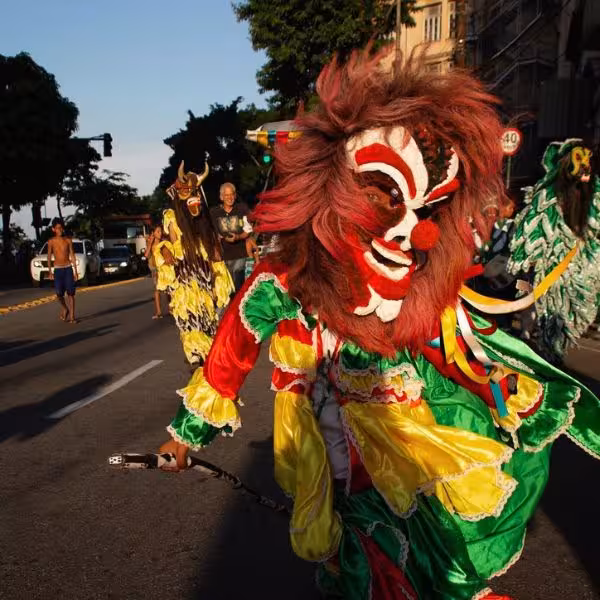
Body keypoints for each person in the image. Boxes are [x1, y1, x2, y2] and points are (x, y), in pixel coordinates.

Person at [160, 48, 600, 599]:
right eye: (384, 196)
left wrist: (508, 390)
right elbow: (232, 350)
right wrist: (186, 434)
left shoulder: (411, 284)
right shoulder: (287, 276)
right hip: (333, 452)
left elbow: (449, 350)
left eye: (426, 210)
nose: (415, 233)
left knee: (433, 560)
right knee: (366, 564)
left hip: (410, 439)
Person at [508, 138, 600, 362]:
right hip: (553, 270)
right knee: (552, 324)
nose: (586, 164)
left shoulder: (593, 197)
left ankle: (552, 355)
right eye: (579, 158)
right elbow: (532, 229)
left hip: (582, 268)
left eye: (588, 158)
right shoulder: (548, 197)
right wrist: (527, 260)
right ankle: (549, 359)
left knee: (572, 320)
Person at [157, 161, 233, 366]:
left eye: (194, 191)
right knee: (189, 320)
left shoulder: (203, 218)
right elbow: (167, 240)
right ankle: (195, 357)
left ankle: (207, 360)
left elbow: (213, 250)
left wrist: (217, 269)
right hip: (184, 277)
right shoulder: (172, 216)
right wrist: (164, 250)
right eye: (185, 191)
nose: (191, 195)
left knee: (208, 319)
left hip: (204, 275)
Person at [210, 183, 258, 292]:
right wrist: (215, 249)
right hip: (224, 257)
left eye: (232, 194)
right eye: (226, 195)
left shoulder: (242, 208)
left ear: (235, 195)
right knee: (230, 290)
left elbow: (248, 229)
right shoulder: (214, 212)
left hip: (241, 254)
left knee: (239, 283)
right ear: (221, 197)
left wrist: (238, 237)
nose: (229, 197)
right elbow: (212, 233)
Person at [47, 218, 78, 323]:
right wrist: (50, 271)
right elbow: (49, 257)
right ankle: (65, 308)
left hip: (68, 268)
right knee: (59, 293)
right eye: (57, 228)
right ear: (53, 229)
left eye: (61, 228)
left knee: (71, 293)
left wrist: (75, 271)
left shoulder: (68, 240)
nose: (59, 230)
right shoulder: (51, 242)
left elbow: (72, 255)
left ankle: (72, 317)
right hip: (58, 269)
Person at [145, 224, 167, 319]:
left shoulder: (163, 243)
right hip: (155, 269)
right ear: (153, 233)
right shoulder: (151, 244)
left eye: (161, 231)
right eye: (158, 231)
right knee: (157, 290)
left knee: (168, 288)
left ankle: (172, 307)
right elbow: (146, 255)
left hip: (164, 268)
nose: (160, 233)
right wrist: (150, 244)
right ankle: (158, 311)